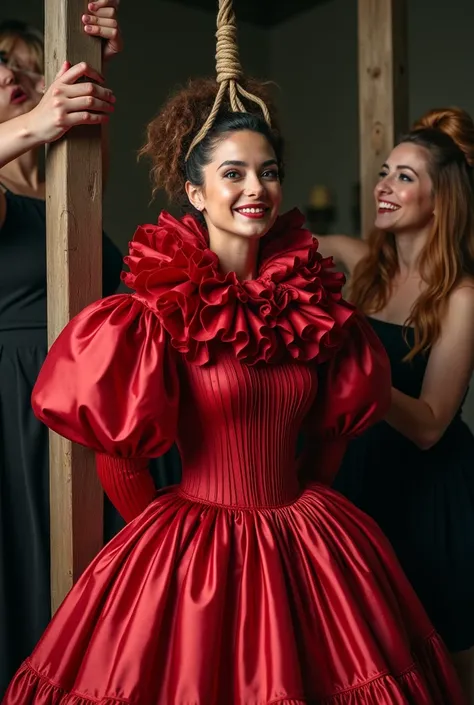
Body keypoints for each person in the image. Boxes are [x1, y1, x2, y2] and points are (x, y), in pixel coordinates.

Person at [2, 5, 466, 699]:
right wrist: (169, 549)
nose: (256, 189)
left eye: (268, 171)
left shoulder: (318, 306)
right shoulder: (152, 311)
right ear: (196, 191)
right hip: (193, 546)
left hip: (303, 534)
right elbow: (122, 464)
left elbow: (329, 439)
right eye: (234, 174)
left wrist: (297, 523)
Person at [318, 107, 474, 701]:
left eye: (405, 177)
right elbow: (285, 233)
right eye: (385, 172)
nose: (384, 185)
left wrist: (359, 380)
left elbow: (432, 425)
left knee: (446, 664)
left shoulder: (461, 296)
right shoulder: (362, 268)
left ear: (441, 199)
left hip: (432, 493)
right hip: (360, 477)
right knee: (372, 656)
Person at [0, 3, 124, 695]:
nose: (15, 75)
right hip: (16, 415)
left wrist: (96, 60)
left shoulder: (55, 186)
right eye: (2, 65)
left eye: (28, 66)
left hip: (90, 414)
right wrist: (39, 119)